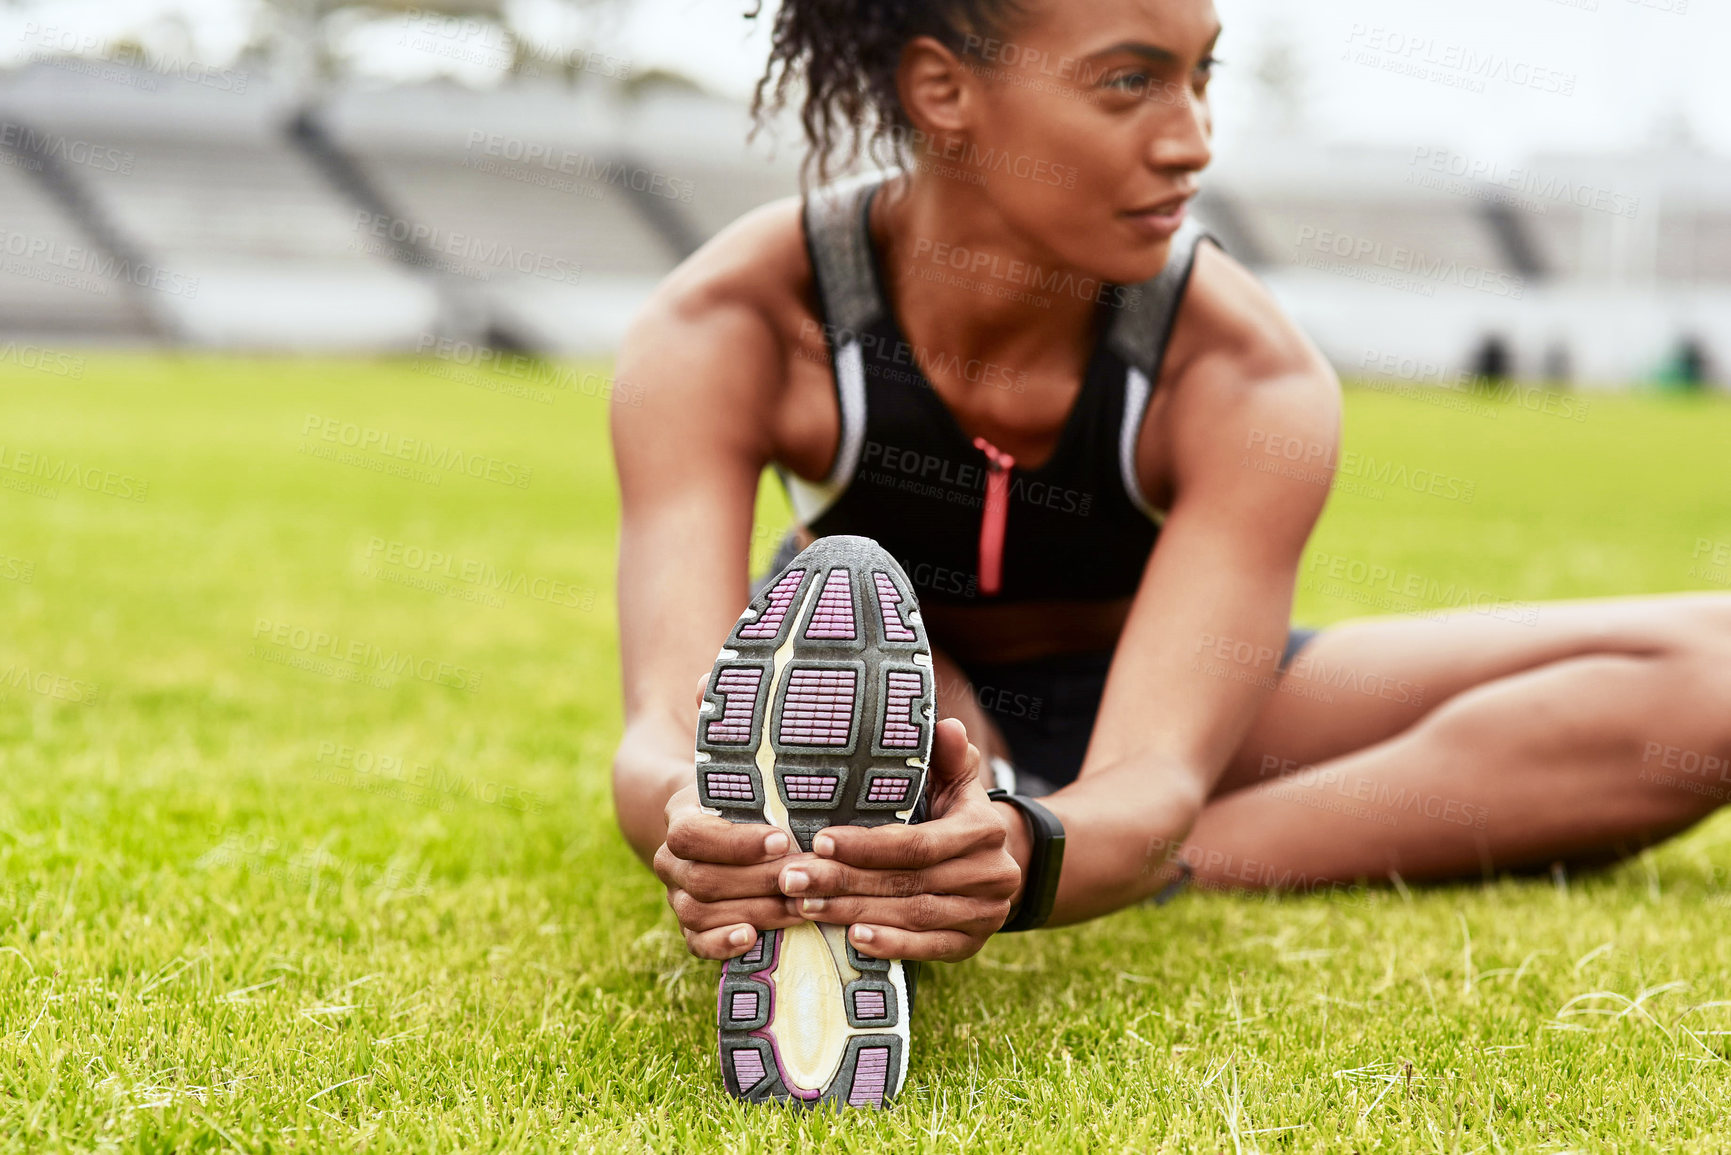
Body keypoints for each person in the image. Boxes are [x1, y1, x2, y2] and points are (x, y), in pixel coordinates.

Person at [610, 0, 1731, 1041]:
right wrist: (697, 821)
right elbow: (668, 721)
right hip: (906, 684)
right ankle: (971, 823)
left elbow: (1155, 766)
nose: (1192, 140)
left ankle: (1074, 847)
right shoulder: (733, 322)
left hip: (1172, 696)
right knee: (893, 663)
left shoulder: (1245, 370)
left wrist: (1038, 847)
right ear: (943, 91)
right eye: (1129, 82)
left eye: (1203, 76)